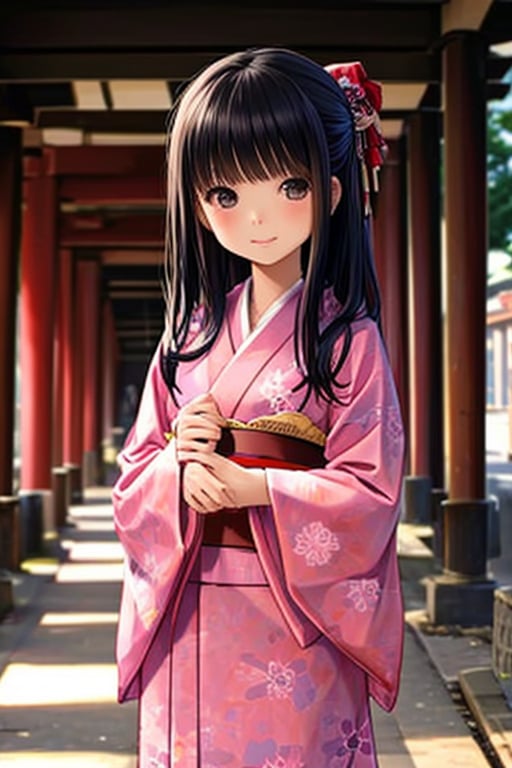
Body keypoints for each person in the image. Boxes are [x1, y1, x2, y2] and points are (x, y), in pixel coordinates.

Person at [113, 47, 405, 768]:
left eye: (290, 184)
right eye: (226, 195)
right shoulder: (189, 340)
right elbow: (133, 477)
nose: (259, 217)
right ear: (200, 204)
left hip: (296, 613)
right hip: (191, 611)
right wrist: (177, 471)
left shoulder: (347, 343)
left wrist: (256, 486)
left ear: (334, 193)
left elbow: (373, 492)